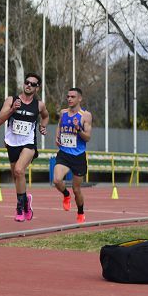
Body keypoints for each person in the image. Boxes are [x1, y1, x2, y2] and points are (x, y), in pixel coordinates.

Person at [0, 73, 49, 222]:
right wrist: (12, 109)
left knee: (19, 170)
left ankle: (20, 208)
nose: (29, 85)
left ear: (37, 88)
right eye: (27, 82)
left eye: (33, 84)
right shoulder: (11, 100)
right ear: (23, 84)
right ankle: (26, 201)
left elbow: (45, 116)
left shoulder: (39, 105)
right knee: (17, 176)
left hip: (28, 143)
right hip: (12, 143)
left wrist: (43, 126)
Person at [52, 87, 93, 224]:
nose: (69, 99)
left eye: (72, 97)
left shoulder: (85, 116)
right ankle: (65, 194)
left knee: (76, 189)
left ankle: (80, 212)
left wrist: (78, 129)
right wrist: (57, 136)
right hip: (64, 153)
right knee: (57, 180)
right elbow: (59, 125)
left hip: (78, 156)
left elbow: (87, 138)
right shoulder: (63, 113)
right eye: (68, 96)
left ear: (79, 98)